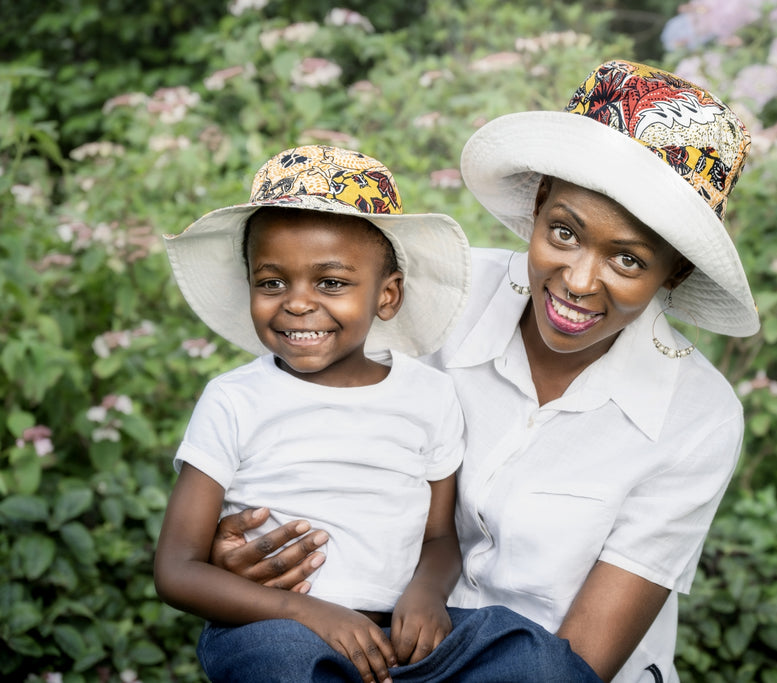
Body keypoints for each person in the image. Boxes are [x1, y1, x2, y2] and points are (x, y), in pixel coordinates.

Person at [208, 59, 761, 683]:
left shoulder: (695, 417)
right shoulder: (441, 300)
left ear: (675, 272)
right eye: (563, 232)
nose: (578, 281)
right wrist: (246, 544)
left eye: (628, 260)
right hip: (377, 637)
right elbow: (303, 427)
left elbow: (579, 662)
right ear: (539, 202)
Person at [155, 146, 602, 683]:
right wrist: (301, 610)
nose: (297, 302)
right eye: (272, 282)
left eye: (331, 283)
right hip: (275, 626)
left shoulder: (428, 396)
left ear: (387, 296)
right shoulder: (234, 399)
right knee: (286, 666)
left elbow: (440, 538)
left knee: (529, 654)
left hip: (398, 635)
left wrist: (427, 593)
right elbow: (176, 570)